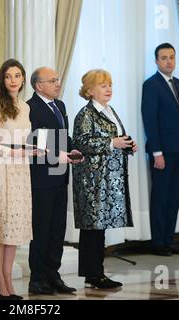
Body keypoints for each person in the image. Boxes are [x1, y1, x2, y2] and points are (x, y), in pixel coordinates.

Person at [73, 69, 136, 289]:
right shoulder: (85, 114)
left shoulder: (110, 110)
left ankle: (95, 273)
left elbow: (116, 138)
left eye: (109, 84)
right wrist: (112, 143)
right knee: (93, 228)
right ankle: (94, 274)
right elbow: (82, 142)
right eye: (102, 85)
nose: (108, 89)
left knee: (99, 228)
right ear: (90, 90)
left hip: (109, 179)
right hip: (93, 180)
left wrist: (128, 145)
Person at [27, 67, 83, 295]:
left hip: (61, 175)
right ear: (39, 85)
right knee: (41, 228)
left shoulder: (60, 105)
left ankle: (53, 274)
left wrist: (73, 149)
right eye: (53, 80)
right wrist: (57, 154)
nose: (58, 83)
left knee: (57, 229)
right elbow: (34, 143)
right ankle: (37, 278)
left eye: (58, 79)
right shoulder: (31, 108)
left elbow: (63, 136)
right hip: (41, 177)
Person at [0, 59, 35, 300]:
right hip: (3, 168)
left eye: (17, 75)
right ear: (2, 80)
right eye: (8, 76)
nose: (13, 80)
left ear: (23, 78)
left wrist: (33, 150)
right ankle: (0, 284)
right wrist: (10, 151)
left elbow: (24, 139)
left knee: (13, 227)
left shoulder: (25, 107)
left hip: (21, 170)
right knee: (0, 226)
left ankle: (9, 284)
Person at [141, 43, 179, 256]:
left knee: (173, 196)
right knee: (161, 197)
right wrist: (157, 152)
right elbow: (150, 120)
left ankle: (169, 239)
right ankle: (158, 242)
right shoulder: (151, 85)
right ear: (156, 61)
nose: (169, 61)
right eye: (164, 58)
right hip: (162, 151)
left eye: (171, 57)